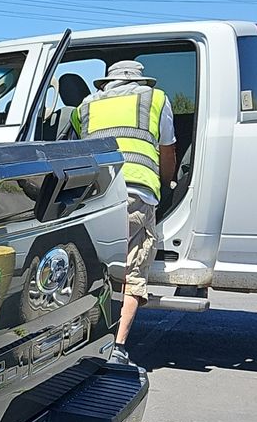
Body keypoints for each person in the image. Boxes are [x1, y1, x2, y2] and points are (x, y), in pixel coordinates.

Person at [67, 59, 177, 365]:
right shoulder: (156, 99)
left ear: (107, 82)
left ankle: (77, 341)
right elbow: (168, 149)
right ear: (141, 81)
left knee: (90, 267)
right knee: (132, 271)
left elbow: (75, 152)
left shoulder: (84, 107)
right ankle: (117, 347)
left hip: (94, 195)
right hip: (136, 191)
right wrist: (166, 183)